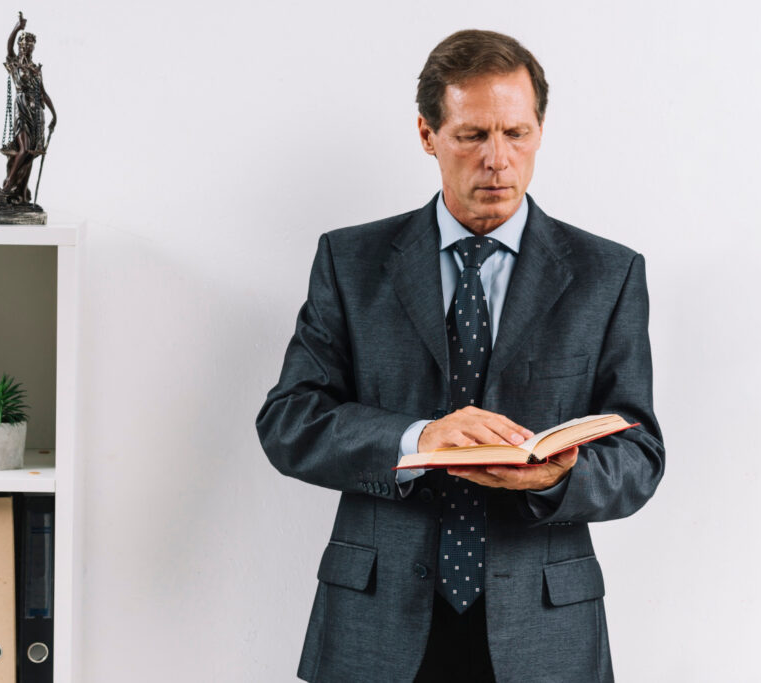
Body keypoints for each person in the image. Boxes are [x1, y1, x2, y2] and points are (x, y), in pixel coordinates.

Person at [256, 29, 664, 682]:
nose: (498, 160)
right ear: (427, 133)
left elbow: (641, 455)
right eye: (474, 135)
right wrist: (419, 438)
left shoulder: (606, 275)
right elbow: (288, 422)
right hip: (374, 624)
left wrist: (553, 477)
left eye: (516, 133)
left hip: (545, 631)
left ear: (539, 130)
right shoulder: (350, 262)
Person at [0, 12, 57, 206]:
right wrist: (18, 27)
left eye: (30, 45)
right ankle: (8, 185)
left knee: (31, 152)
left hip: (37, 114)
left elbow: (43, 93)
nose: (26, 48)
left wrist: (54, 114)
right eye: (23, 45)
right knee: (23, 149)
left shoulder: (35, 69)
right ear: (20, 46)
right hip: (22, 109)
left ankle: (22, 193)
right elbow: (8, 48)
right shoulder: (15, 64)